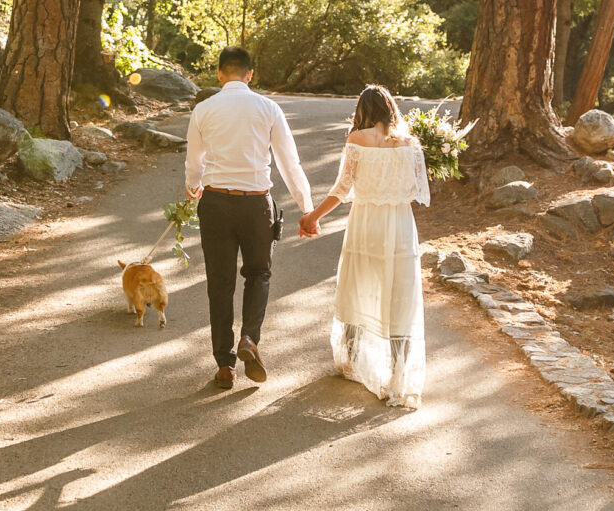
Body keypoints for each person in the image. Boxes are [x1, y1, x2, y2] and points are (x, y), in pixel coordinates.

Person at [182, 47, 315, 391]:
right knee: (259, 274)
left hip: (215, 204)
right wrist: (306, 208)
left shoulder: (203, 109)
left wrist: (193, 187)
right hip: (256, 205)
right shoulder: (268, 108)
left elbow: (194, 162)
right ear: (250, 74)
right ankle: (249, 339)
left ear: (219, 74)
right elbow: (289, 162)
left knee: (220, 284)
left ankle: (224, 366)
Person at [301, 85, 431, 408]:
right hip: (400, 226)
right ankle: (399, 375)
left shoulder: (356, 141)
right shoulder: (411, 144)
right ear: (391, 110)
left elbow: (342, 188)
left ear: (363, 111)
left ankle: (350, 359)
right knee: (400, 296)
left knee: (358, 286)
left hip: (366, 224)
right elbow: (419, 191)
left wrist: (313, 216)